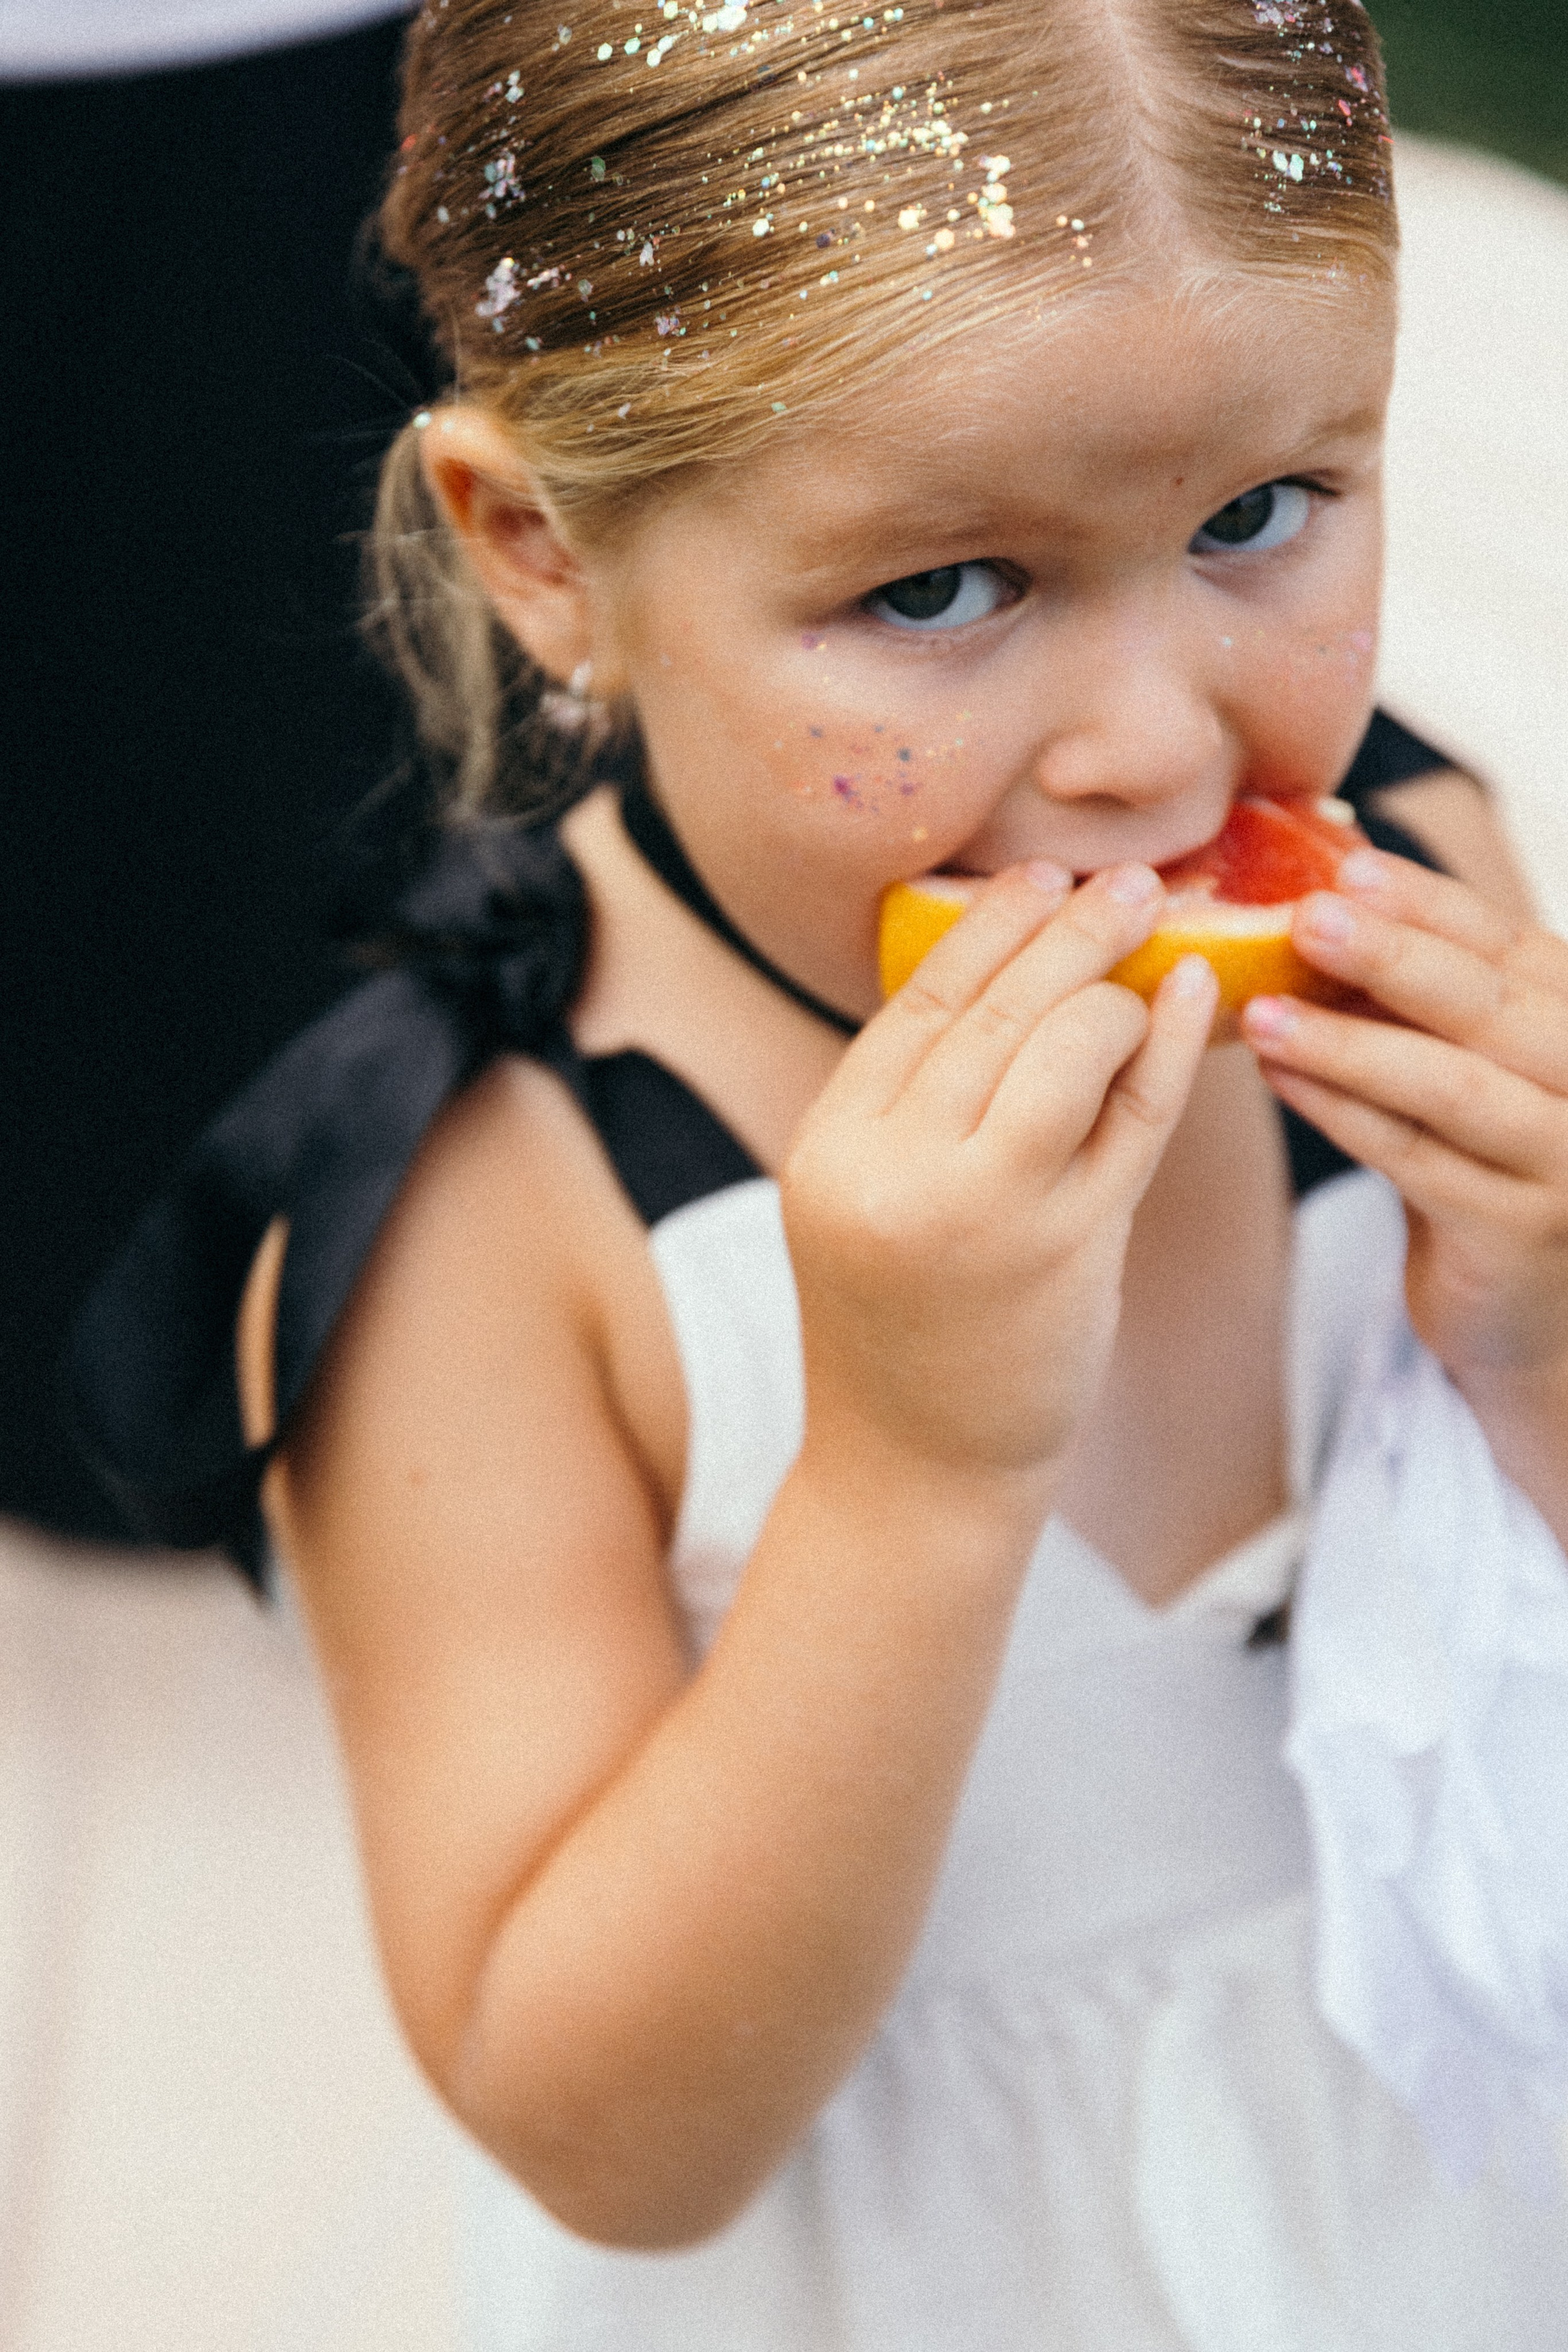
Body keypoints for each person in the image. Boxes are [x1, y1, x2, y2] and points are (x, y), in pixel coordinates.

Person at [68, 0, 1568, 2341]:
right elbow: (606, 2136)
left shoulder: (1421, 879)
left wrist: (1540, 1348)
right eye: (942, 591)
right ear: (541, 554)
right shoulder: (500, 1213)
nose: (1156, 747)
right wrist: (910, 1463)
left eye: (1261, 517)